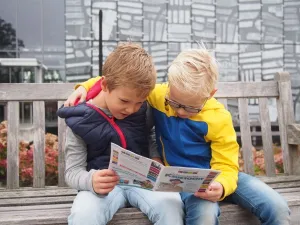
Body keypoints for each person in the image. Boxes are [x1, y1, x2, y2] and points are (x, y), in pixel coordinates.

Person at [65, 46, 290, 225]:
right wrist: (84, 87)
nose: (180, 111)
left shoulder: (219, 119)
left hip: (221, 176)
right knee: (205, 213)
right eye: (174, 103)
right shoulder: (157, 97)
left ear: (210, 95)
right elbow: (121, 81)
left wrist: (221, 185)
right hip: (184, 182)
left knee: (277, 207)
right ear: (168, 87)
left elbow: (228, 166)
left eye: (190, 107)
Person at [58, 42, 184, 225]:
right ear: (105, 86)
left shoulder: (144, 109)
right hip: (102, 189)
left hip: (143, 183)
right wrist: (91, 180)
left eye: (139, 102)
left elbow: (148, 136)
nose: (131, 109)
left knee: (171, 205)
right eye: (124, 100)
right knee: (84, 215)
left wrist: (155, 157)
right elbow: (72, 172)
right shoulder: (79, 120)